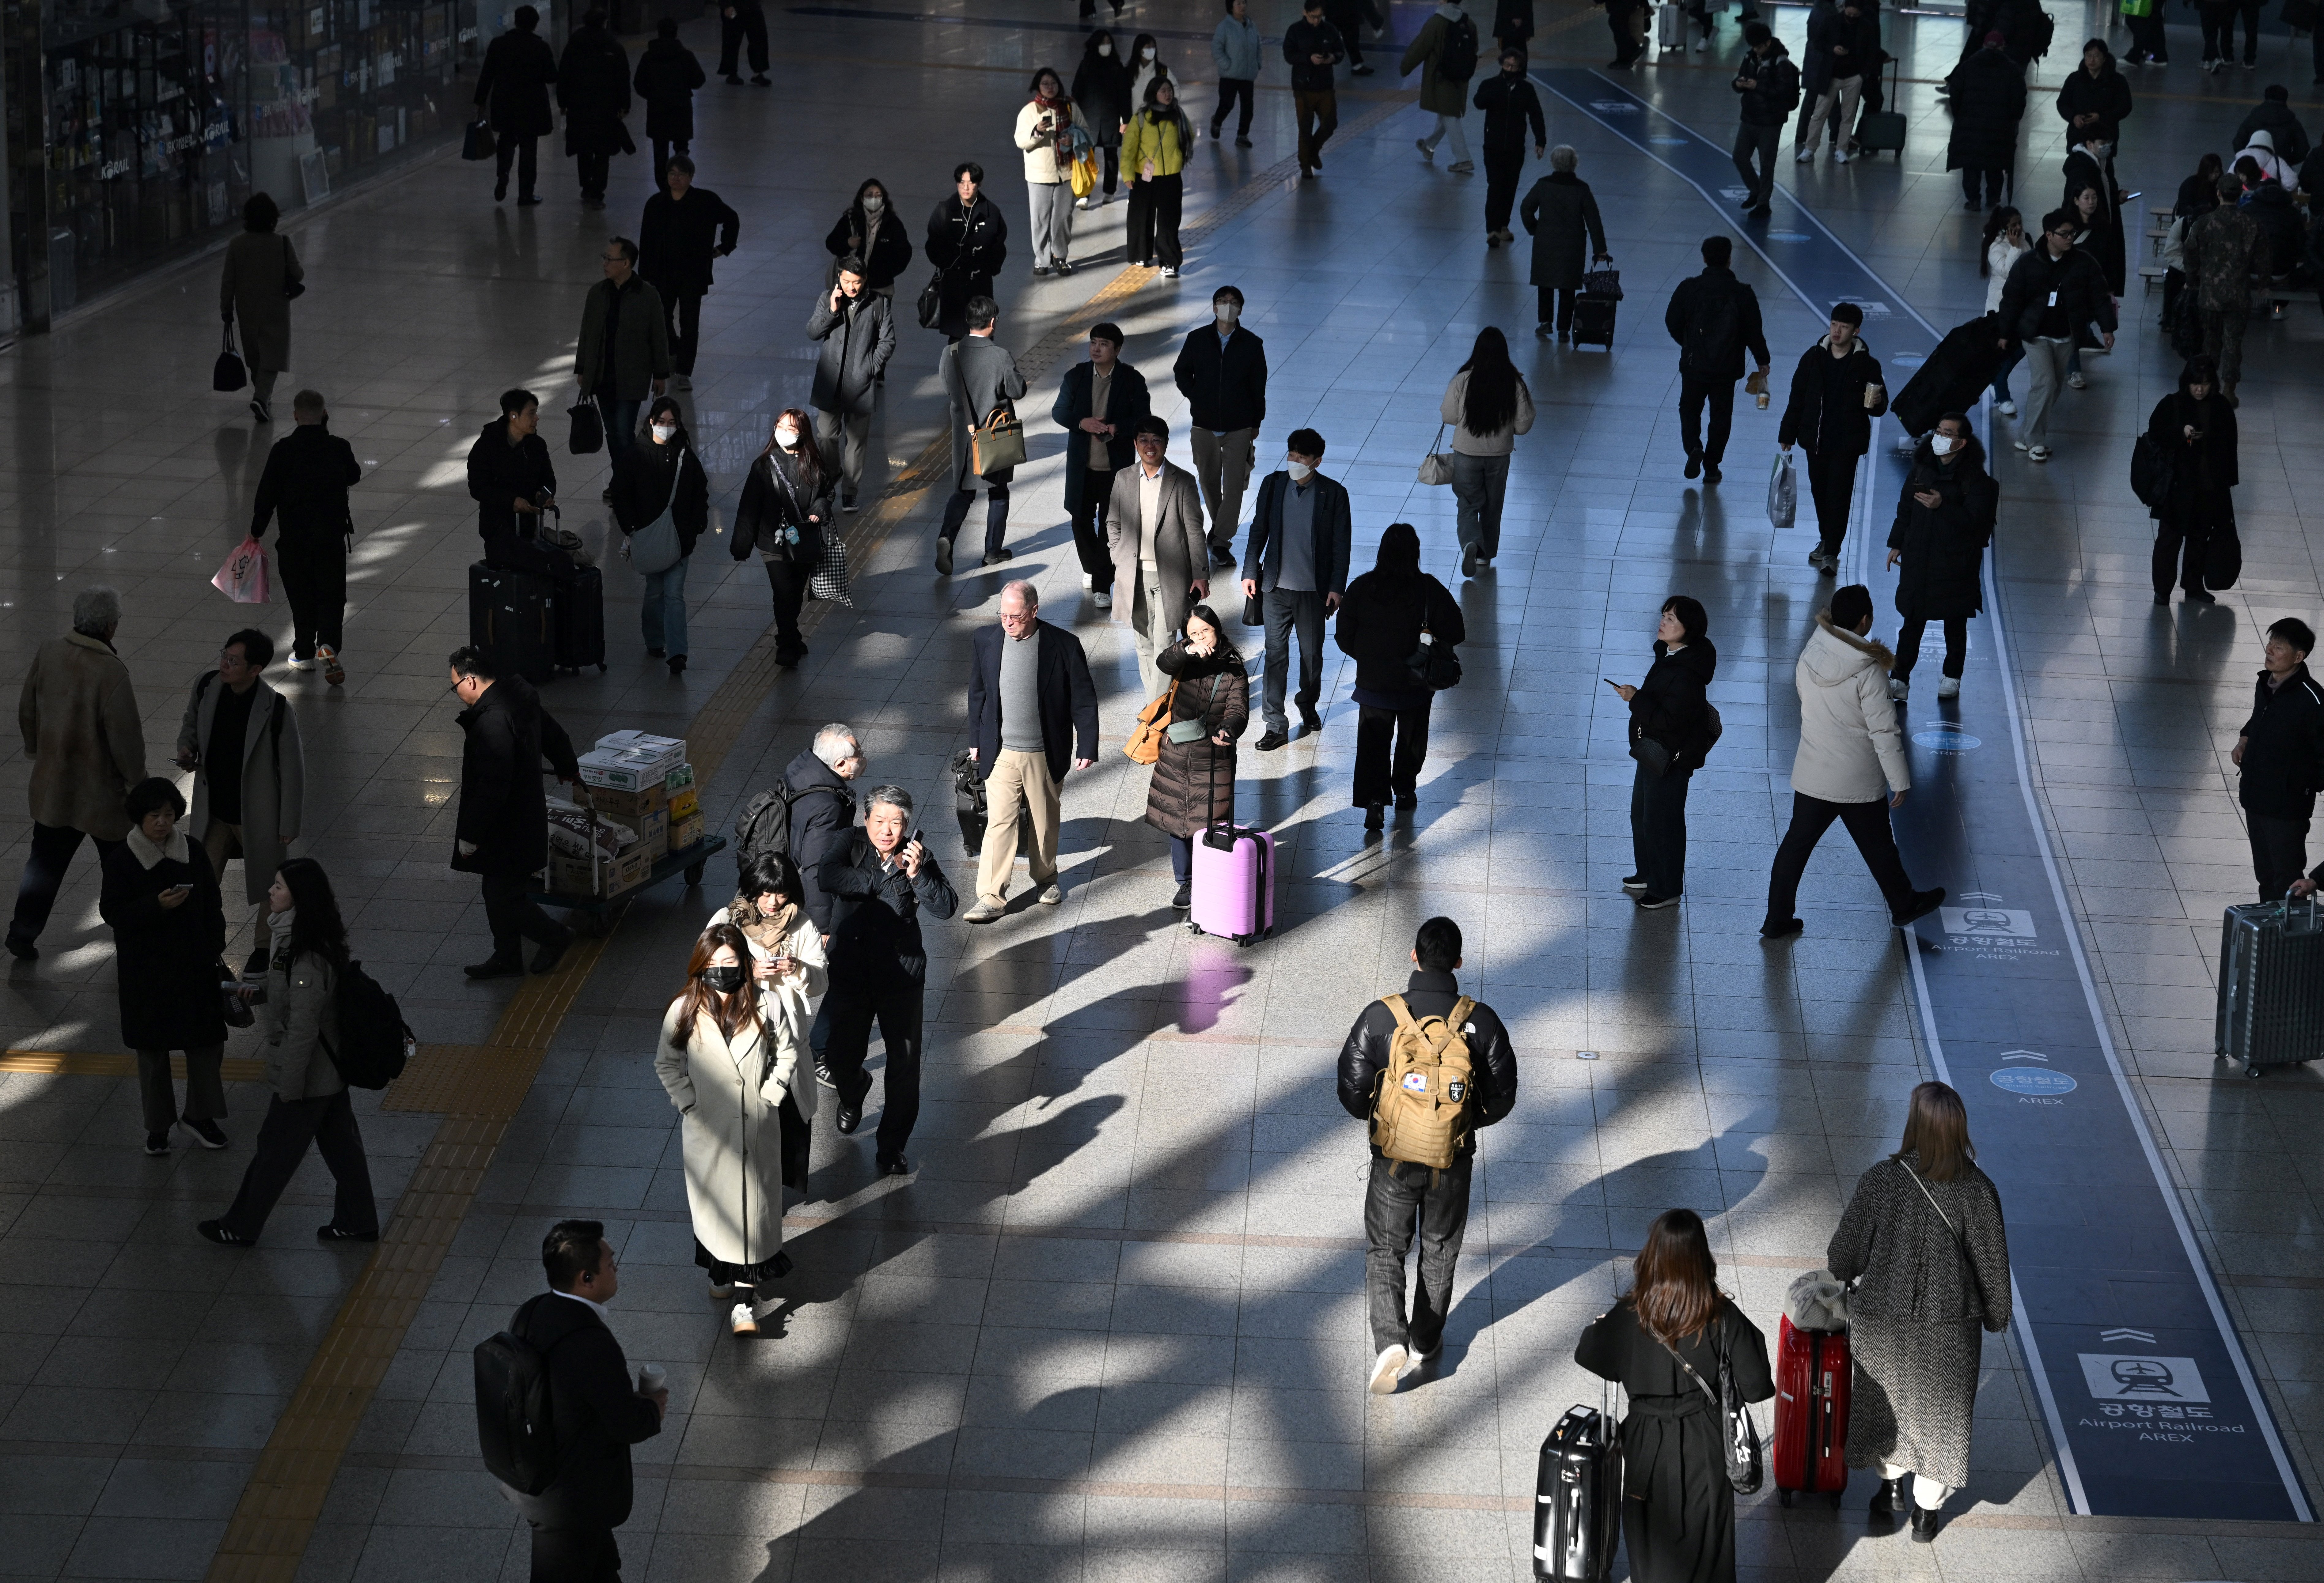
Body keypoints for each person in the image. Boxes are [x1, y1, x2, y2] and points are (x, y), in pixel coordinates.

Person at [1338, 916, 1518, 1392]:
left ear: (1414, 956)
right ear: (1458, 962)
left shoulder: (1380, 1017)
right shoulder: (1483, 1022)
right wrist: (1458, 1125)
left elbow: (1351, 1089)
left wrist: (1389, 1120)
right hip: (1452, 1162)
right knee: (1439, 1250)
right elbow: (1503, 1097)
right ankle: (1424, 1338)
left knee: (1386, 1249)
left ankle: (1390, 1342)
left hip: (1393, 1161)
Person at [1829, 1082, 2012, 1543]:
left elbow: (1844, 1254)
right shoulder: (1978, 1190)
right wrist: (1996, 1315)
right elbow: (1992, 1265)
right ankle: (1926, 1514)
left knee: (1886, 1404)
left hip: (1881, 1320)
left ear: (1914, 1125)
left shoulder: (1881, 1180)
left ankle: (1889, 1488)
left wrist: (1846, 1273)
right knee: (1940, 1419)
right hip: (1949, 1327)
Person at [1575, 1209, 1775, 1581]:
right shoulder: (1720, 1314)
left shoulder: (1631, 1313)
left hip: (1645, 1443)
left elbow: (1589, 1354)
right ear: (1701, 1257)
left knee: (1651, 1548)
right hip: (1705, 1443)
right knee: (1709, 1546)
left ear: (1652, 1256)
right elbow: (1756, 1384)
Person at [199, 858, 379, 1246]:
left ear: (299, 897)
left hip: (309, 1074)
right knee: (343, 1148)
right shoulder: (298, 935)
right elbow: (289, 989)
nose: (271, 891)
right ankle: (358, 1220)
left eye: (279, 886)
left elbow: (303, 1027)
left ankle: (240, 1226)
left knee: (274, 1152)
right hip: (329, 1071)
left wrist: (289, 1086)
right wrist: (258, 991)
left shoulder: (307, 955)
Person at [1763, 586, 1942, 941]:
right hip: (1856, 777)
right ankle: (1904, 903)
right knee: (1878, 845)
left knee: (1795, 846)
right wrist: (1899, 780)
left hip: (1814, 771)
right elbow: (1884, 729)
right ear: (1865, 620)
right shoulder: (1869, 669)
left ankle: (1776, 918)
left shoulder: (1812, 650)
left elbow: (1804, 699)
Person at [492, 1222, 666, 1581]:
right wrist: (652, 1407)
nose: (616, 1269)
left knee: (600, 1569)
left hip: (540, 1478)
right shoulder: (591, 1343)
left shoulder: (532, 1310)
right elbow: (627, 1424)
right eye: (611, 1264)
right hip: (570, 1500)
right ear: (586, 1278)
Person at [656, 921, 807, 1335]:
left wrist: (771, 1095)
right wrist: (689, 1103)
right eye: (714, 964)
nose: (723, 971)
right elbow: (666, 1063)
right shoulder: (684, 1009)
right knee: (717, 1213)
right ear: (701, 966)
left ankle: (745, 1302)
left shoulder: (766, 1003)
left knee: (753, 1216)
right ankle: (720, 1274)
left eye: (731, 962)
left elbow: (787, 1052)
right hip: (709, 1131)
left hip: (756, 1126)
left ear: (744, 963)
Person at [816, 787, 958, 1173]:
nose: (887, 830)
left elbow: (947, 906)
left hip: (901, 976)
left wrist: (917, 874)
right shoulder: (849, 841)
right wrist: (881, 881)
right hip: (852, 971)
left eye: (896, 822)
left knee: (904, 1065)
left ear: (906, 825)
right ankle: (854, 1090)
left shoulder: (917, 855)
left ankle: (892, 1146)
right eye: (879, 820)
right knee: (839, 1055)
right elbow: (828, 875)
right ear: (866, 820)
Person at [8, 587, 146, 962]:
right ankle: (129, 929)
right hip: (102, 794)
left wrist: (37, 750)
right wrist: (137, 783)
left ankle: (22, 932)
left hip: (54, 785)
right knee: (120, 865)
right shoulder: (111, 670)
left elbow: (27, 707)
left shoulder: (50, 651)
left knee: (44, 864)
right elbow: (126, 737)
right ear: (111, 625)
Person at [98, 778, 227, 1158]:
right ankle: (158, 1127)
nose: (162, 822)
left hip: (194, 965)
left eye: (169, 814)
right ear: (140, 817)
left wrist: (214, 944)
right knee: (152, 1052)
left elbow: (213, 902)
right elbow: (113, 912)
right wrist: (156, 906)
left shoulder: (192, 851)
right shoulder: (123, 859)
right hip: (146, 973)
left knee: (206, 1043)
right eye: (155, 815)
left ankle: (200, 1115)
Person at [963, 581, 1100, 923]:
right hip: (1001, 751)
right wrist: (976, 738)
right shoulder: (985, 639)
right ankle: (991, 897)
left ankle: (1046, 879)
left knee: (1044, 821)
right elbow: (978, 693)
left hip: (1044, 751)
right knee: (1000, 822)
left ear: (1034, 611)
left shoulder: (1064, 644)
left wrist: (1087, 745)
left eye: (1016, 616)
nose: (1008, 622)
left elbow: (1083, 699)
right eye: (1003, 615)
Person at [173, 629, 305, 972]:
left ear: (255, 670)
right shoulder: (207, 686)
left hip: (258, 813)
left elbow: (292, 769)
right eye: (225, 655)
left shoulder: (276, 709)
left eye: (234, 661)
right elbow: (191, 721)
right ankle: (200, 941)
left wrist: (289, 822)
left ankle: (263, 948)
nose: (225, 664)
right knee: (201, 878)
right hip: (215, 810)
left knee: (270, 885)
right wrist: (187, 748)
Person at [448, 646, 579, 980]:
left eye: (455, 686)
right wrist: (567, 765)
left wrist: (471, 835)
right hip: (521, 816)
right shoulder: (518, 699)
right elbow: (552, 732)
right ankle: (506, 956)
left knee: (504, 896)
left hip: (508, 825)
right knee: (496, 891)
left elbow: (493, 785)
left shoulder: (492, 721)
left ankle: (555, 937)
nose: (456, 693)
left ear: (471, 681)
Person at [707, 856, 827, 1219]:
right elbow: (703, 971)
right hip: (739, 1040)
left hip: (785, 1040)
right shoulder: (727, 922)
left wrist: (798, 969)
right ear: (751, 890)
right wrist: (747, 971)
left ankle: (770, 1193)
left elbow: (821, 981)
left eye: (781, 894)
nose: (773, 902)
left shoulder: (802, 925)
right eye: (765, 893)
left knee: (785, 1120)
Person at [1334, 523, 1464, 830]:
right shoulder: (1428, 588)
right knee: (1412, 739)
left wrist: (1368, 657)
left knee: (1373, 743)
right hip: (1416, 682)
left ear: (1382, 551)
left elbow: (1343, 635)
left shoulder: (1362, 587)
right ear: (1415, 552)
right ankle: (1404, 790)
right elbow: (1457, 631)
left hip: (1374, 683)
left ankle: (1375, 801)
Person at [1242, 427, 1352, 747]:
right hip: (1274, 589)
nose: (1295, 462)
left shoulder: (1333, 493)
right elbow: (1258, 529)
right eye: (1292, 455)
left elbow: (1341, 544)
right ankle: (1275, 725)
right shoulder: (1273, 484)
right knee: (1275, 655)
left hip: (1313, 592)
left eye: (1302, 457)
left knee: (1311, 657)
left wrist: (1337, 587)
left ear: (1317, 461)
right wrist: (1249, 571)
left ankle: (1307, 703)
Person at [249, 389, 360, 684]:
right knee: (332, 594)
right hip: (330, 538)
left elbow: (267, 493)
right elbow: (354, 475)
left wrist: (257, 530)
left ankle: (303, 653)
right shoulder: (339, 447)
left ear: (296, 416)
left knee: (301, 596)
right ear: (325, 414)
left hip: (294, 540)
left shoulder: (283, 451)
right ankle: (328, 644)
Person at [1612, 596, 1716, 908]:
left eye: (1671, 618)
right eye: (1664, 615)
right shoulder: (1669, 654)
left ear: (1688, 628)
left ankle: (1666, 888)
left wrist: (1636, 699)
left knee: (1663, 822)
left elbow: (1670, 720)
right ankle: (1649, 873)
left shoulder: (1687, 673)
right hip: (1653, 750)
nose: (1663, 622)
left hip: (1671, 757)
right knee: (1643, 815)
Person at [1886, 414, 1997, 697]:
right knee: (1912, 620)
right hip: (1919, 557)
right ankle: (1899, 678)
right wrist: (1896, 543)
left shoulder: (1976, 481)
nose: (1940, 437)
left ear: (1961, 443)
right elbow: (1905, 508)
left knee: (1955, 621)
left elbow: (1975, 523)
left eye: (1948, 433)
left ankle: (1952, 676)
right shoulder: (1921, 469)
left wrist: (1942, 506)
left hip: (1955, 563)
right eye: (1938, 431)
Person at [1148, 607, 1250, 909]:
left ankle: (1210, 877)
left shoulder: (1234, 669)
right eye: (1193, 633)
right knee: (1178, 821)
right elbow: (1163, 662)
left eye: (1205, 630)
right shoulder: (1184, 659)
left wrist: (1229, 729)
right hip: (1177, 753)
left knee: (1210, 821)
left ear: (1217, 629)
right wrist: (1186, 649)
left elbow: (1238, 709)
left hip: (1213, 756)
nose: (1201, 637)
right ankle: (1186, 882)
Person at [1996, 208, 2116, 463]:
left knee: (2053, 389)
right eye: (2064, 234)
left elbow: (2099, 295)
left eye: (2072, 233)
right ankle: (2035, 442)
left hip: (2066, 336)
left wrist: (2107, 328)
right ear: (2049, 235)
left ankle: (2025, 436)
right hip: (2036, 335)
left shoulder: (2083, 262)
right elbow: (2011, 299)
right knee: (2045, 384)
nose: (2070, 238)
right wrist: (2004, 333)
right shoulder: (2028, 263)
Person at [1778, 303, 1887, 572]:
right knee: (1820, 493)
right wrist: (1787, 433)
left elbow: (1879, 407)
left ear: (1856, 331)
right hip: (1815, 440)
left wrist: (1875, 402)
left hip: (1846, 444)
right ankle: (1826, 539)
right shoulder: (1813, 357)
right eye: (1834, 324)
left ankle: (1831, 551)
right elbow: (1797, 397)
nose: (1837, 331)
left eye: (1844, 327)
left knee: (1838, 496)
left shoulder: (1867, 365)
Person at [1107, 418, 1211, 700]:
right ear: (1135, 444)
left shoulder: (1183, 481)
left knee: (1165, 642)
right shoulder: (1124, 478)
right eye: (1144, 440)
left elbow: (1194, 530)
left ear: (1165, 444)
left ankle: (1154, 708)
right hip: (1134, 574)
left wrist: (1201, 573)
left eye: (1156, 440)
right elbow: (1113, 523)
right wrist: (1118, 555)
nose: (1150, 446)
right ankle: (1156, 704)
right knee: (1143, 642)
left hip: (1172, 576)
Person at [1053, 323, 1151, 608]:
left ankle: (1101, 585)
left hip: (1115, 469)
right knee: (1080, 520)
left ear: (1117, 350)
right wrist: (1082, 422)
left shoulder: (1132, 380)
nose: (1096, 349)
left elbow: (1142, 418)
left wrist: (1118, 428)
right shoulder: (1077, 377)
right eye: (1093, 342)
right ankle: (1094, 567)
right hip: (1082, 467)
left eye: (1103, 344)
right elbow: (1059, 411)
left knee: (1110, 526)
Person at [1664, 236, 1771, 484]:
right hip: (1727, 366)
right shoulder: (1743, 293)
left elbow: (1672, 321)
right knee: (1721, 416)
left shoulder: (1689, 289)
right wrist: (1762, 360)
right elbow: (1753, 331)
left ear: (1704, 258)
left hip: (1694, 365)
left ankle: (1693, 448)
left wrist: (1689, 344)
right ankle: (1712, 467)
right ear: (1729, 259)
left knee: (1689, 409)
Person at [612, 397, 707, 675]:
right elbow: (621, 494)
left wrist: (695, 526)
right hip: (649, 537)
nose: (666, 427)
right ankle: (655, 640)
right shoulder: (635, 455)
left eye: (672, 423)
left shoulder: (684, 456)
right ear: (651, 422)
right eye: (662, 422)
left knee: (674, 594)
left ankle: (677, 652)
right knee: (655, 592)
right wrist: (632, 527)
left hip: (680, 539)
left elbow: (699, 492)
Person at [1173, 287, 1267, 565]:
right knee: (1208, 481)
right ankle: (1219, 528)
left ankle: (1222, 541)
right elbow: (1181, 371)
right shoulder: (1197, 339)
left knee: (1235, 485)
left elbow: (1258, 386)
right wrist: (1196, 396)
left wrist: (1255, 422)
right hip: (1204, 425)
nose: (1228, 306)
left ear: (1241, 309)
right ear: (1214, 308)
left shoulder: (1252, 344)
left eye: (1233, 302)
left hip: (1239, 426)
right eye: (1223, 302)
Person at [731, 411, 829, 669]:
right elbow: (749, 506)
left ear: (802, 433)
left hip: (803, 539)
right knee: (783, 591)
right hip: (772, 541)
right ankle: (787, 645)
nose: (784, 432)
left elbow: (827, 492)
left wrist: (820, 507)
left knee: (795, 592)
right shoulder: (764, 465)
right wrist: (742, 544)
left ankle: (791, 634)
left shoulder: (814, 463)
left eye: (791, 429)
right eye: (780, 426)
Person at [937, 296, 1026, 575]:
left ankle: (947, 537)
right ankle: (992, 552)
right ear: (993, 322)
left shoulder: (950, 353)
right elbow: (1018, 390)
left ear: (968, 321)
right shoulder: (1000, 355)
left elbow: (948, 388)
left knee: (963, 493)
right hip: (994, 436)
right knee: (998, 493)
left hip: (964, 438)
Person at [2237, 620, 2324, 901]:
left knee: (2287, 881)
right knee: (2265, 876)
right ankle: (2268, 928)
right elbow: (2258, 719)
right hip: (2255, 797)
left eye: (2278, 647)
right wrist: (2244, 739)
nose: (2269, 650)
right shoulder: (2265, 684)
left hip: (2287, 808)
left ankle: (2291, 929)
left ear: (2298, 656)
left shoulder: (2312, 700)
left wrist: (2301, 785)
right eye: (2270, 643)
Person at [636, 157, 739, 392]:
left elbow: (731, 219)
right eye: (672, 173)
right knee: (662, 318)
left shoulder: (705, 201)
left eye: (681, 174)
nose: (676, 178)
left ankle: (684, 371)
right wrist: (645, 274)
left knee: (689, 322)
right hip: (662, 273)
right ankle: (674, 351)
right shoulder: (656, 203)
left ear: (691, 177)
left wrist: (724, 247)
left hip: (693, 274)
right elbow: (647, 239)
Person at [1440, 328, 1534, 574]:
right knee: (1492, 506)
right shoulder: (1514, 383)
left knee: (1468, 503)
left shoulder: (1462, 380)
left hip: (1466, 453)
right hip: (1499, 455)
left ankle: (1471, 543)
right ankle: (1485, 556)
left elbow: (1449, 415)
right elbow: (1523, 425)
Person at [576, 237, 671, 481]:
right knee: (612, 432)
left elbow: (659, 335)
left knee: (623, 431)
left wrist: (661, 373)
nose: (605, 263)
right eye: (604, 258)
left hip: (632, 377)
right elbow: (587, 332)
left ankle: (625, 482)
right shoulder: (597, 293)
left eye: (610, 259)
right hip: (603, 376)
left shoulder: (647, 295)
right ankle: (624, 480)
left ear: (626, 263)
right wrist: (583, 368)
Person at [2146, 356, 2238, 607]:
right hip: (2178, 486)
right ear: (2186, 383)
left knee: (2199, 538)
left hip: (2209, 486)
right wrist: (2181, 433)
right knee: (2169, 539)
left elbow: (2230, 445)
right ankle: (2162, 590)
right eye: (2195, 384)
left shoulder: (2221, 407)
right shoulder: (2172, 404)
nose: (2199, 390)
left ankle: (2193, 586)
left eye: (2205, 384)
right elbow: (2155, 433)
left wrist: (2227, 483)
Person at [807, 256, 895, 510]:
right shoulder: (827, 298)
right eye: (846, 281)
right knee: (826, 436)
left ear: (865, 280)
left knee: (856, 443)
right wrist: (832, 311)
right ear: (839, 278)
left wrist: (870, 368)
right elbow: (812, 333)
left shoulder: (878, 303)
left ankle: (850, 491)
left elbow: (888, 341)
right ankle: (833, 472)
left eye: (856, 282)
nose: (851, 287)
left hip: (860, 385)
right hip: (830, 383)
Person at [220, 193, 300, 424]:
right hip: (276, 308)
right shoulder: (282, 243)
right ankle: (262, 398)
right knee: (273, 356)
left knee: (255, 355)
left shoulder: (237, 245)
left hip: (247, 309)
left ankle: (262, 396)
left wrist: (226, 309)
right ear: (273, 217)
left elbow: (228, 281)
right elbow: (298, 274)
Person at [780, 725, 864, 937]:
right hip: (800, 900)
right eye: (858, 754)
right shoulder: (828, 807)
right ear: (840, 764)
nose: (863, 758)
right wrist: (824, 928)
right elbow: (817, 868)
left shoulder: (801, 774)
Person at [1519, 146, 1610, 341]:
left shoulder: (1543, 185)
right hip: (1572, 246)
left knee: (1545, 283)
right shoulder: (1582, 189)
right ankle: (1563, 330)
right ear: (1574, 164)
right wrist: (1600, 250)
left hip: (1545, 243)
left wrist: (1535, 229)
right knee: (1567, 287)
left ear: (1554, 163)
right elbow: (1594, 220)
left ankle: (1546, 323)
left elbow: (1526, 208)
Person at [475, 6, 556, 206]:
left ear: (515, 21)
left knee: (506, 140)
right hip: (532, 105)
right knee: (529, 148)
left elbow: (487, 75)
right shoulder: (541, 47)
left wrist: (480, 100)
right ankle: (526, 194)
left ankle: (503, 174)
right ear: (535, 25)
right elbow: (551, 76)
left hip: (505, 102)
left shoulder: (498, 45)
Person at [1016, 68, 1089, 277]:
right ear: (1038, 87)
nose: (1050, 87)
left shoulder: (1070, 107)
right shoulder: (1030, 111)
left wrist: (1072, 139)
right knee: (1040, 219)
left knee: (1063, 217)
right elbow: (1021, 141)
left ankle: (1060, 256)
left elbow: (1085, 130)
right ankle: (1042, 260)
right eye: (1045, 84)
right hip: (1039, 175)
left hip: (1066, 172)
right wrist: (1037, 131)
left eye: (1053, 83)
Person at [467, 388, 558, 554]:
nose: (537, 418)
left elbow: (548, 478)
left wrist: (545, 493)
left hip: (530, 526)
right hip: (498, 528)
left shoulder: (537, 445)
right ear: (514, 416)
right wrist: (512, 501)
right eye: (531, 413)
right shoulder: (487, 446)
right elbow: (478, 488)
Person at [556, 10, 631, 209]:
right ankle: (598, 192)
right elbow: (623, 79)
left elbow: (564, 75)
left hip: (579, 105)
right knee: (603, 150)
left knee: (584, 148)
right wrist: (625, 105)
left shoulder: (574, 46)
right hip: (606, 107)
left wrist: (563, 102)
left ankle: (586, 186)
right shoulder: (614, 47)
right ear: (605, 22)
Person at [925, 162, 1008, 341]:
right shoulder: (945, 211)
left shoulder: (991, 213)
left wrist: (990, 268)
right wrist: (948, 264)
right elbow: (933, 244)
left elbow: (999, 245)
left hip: (981, 286)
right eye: (962, 183)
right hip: (953, 287)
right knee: (957, 339)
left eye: (971, 183)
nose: (966, 187)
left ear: (979, 184)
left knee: (983, 335)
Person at [1946, 31, 2025, 212]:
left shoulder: (1968, 66)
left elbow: (1955, 94)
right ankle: (1993, 199)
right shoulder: (2012, 69)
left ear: (1983, 45)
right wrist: (2013, 119)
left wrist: (1961, 116)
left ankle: (1973, 200)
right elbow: (2019, 99)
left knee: (1971, 164)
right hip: (2000, 127)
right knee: (1995, 164)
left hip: (1970, 126)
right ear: (2003, 47)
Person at [1474, 49, 1546, 245]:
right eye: (1507, 65)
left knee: (1510, 188)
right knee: (1495, 186)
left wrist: (1540, 141)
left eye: (1514, 67)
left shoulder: (1526, 89)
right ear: (1501, 65)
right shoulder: (1490, 84)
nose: (1510, 69)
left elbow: (1536, 114)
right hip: (1493, 147)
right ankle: (1493, 230)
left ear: (1520, 69)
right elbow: (1478, 102)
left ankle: (1503, 225)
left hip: (1516, 148)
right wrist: (1497, 89)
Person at [1123, 77, 1192, 277]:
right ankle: (1141, 254)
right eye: (1163, 91)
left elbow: (1188, 137)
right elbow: (1129, 148)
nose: (1168, 94)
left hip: (1171, 176)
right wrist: (1128, 174)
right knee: (1141, 217)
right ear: (1154, 94)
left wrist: (1177, 156)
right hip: (1144, 176)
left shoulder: (1178, 115)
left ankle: (1169, 262)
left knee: (1169, 222)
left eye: (1169, 90)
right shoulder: (1142, 117)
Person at [1403, 0, 1480, 175]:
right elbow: (1474, 48)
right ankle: (1429, 146)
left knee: (1450, 115)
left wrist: (1405, 67)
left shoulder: (1436, 22)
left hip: (1441, 76)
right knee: (1446, 111)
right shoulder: (1469, 23)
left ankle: (1464, 159)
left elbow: (1420, 47)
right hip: (1461, 77)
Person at [1731, 23, 1799, 217]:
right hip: (1749, 116)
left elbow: (1783, 92)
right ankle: (1756, 190)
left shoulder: (1781, 62)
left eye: (1759, 46)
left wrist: (1757, 86)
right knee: (1739, 156)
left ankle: (1763, 204)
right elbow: (1740, 78)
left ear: (1768, 42)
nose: (1756, 50)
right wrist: (1738, 84)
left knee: (1767, 163)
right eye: (1753, 46)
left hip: (1771, 121)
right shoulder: (1750, 57)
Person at [1795, 0, 1874, 164]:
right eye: (1849, 14)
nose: (1852, 17)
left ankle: (1841, 149)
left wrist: (1862, 75)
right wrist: (1832, 49)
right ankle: (1810, 149)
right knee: (1820, 113)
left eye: (1855, 15)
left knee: (1848, 115)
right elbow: (1817, 42)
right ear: (1844, 8)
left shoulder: (1866, 26)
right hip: (1831, 76)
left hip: (1854, 77)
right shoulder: (1831, 21)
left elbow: (1871, 50)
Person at [632, 17, 703, 189]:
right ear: (676, 33)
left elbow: (639, 83)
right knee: (682, 147)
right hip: (681, 108)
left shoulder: (649, 57)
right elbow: (699, 80)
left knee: (660, 150)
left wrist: (652, 95)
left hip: (658, 109)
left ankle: (663, 188)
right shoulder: (685, 56)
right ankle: (681, 183)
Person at [2061, 133, 2129, 306]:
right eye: (2087, 198)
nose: (2092, 202)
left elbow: (2109, 261)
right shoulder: (2068, 230)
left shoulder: (2103, 228)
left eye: (2095, 198)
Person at [1285, 0, 1348, 179]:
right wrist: (1309, 58)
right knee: (1305, 127)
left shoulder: (1330, 30)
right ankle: (1305, 165)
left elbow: (1340, 51)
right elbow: (1289, 55)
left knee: (1330, 123)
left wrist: (1332, 58)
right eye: (1313, 17)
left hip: (1325, 85)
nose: (1317, 21)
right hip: (1304, 87)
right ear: (1305, 13)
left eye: (1320, 17)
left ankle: (1312, 152)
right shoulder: (1295, 31)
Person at [824, 178, 914, 298]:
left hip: (881, 289)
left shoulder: (892, 223)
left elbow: (904, 253)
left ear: (883, 198)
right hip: (851, 287)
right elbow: (831, 243)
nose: (874, 199)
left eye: (878, 195)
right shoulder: (851, 220)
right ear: (862, 199)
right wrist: (848, 244)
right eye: (870, 195)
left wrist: (886, 274)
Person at [1980, 208, 2030, 415]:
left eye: (2020, 223)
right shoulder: (1995, 247)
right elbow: (2009, 272)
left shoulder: (2025, 239)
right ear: (2004, 228)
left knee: (2024, 346)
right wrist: (2015, 247)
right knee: (2004, 353)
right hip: (2000, 308)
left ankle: (1996, 379)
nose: (2018, 228)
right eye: (2013, 225)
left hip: (2023, 306)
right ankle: (2002, 396)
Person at [1073, 32, 1132, 205]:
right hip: (1089, 118)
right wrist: (1076, 116)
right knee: (1086, 155)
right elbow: (1077, 91)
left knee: (1111, 155)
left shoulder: (1117, 67)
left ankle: (1110, 191)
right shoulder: (1086, 65)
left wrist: (1126, 120)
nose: (1107, 46)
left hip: (1110, 119)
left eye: (1109, 43)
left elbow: (1124, 95)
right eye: (1103, 43)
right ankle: (1085, 193)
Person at [2056, 37, 2131, 151]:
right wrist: (2074, 117)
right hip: (2078, 136)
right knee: (2077, 162)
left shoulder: (2117, 81)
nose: (2092, 60)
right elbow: (2062, 103)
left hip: (2105, 136)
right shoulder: (2075, 79)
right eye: (2088, 55)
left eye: (2096, 56)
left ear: (2104, 58)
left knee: (2103, 162)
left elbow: (2125, 107)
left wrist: (2102, 118)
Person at [1211, 0, 1261, 146]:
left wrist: (1258, 63)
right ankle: (1217, 121)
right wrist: (1226, 65)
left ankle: (1243, 135)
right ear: (1231, 7)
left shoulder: (1252, 26)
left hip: (1248, 75)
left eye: (1244, 3)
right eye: (1238, 3)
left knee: (1248, 108)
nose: (1242, 6)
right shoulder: (1224, 27)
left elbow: (1259, 46)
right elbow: (1217, 49)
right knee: (1227, 104)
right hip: (1230, 75)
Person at [2235, 85, 2311, 168]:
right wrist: (2287, 162)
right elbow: (2303, 148)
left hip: (2254, 167)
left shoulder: (2253, 119)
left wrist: (2248, 161)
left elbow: (2238, 143)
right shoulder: (2293, 122)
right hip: (2281, 168)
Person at [718, 0, 770, 85]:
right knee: (732, 41)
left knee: (759, 39)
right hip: (735, 8)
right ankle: (732, 74)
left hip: (753, 7)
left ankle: (758, 72)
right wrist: (727, 5)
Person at [1325, 0, 1375, 75]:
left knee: (1352, 36)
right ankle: (1321, 63)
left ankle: (1357, 65)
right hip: (1338, 8)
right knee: (1329, 37)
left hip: (1347, 9)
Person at [1128, 32, 1172, 116]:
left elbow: (1175, 91)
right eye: (1148, 47)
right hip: (1135, 118)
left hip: (1157, 118)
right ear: (1140, 50)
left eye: (1153, 47)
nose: (1152, 50)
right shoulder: (1129, 72)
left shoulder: (1162, 71)